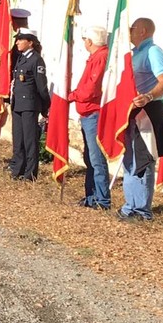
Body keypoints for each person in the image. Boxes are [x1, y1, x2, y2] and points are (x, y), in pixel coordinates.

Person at [121, 18, 163, 221]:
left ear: (143, 31)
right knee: (130, 159)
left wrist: (149, 96)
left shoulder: (153, 51)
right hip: (131, 111)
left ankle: (142, 211)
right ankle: (130, 207)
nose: (129, 31)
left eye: (132, 28)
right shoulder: (132, 53)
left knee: (143, 160)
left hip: (147, 111)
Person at [69, 26, 110, 209]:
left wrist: (73, 96)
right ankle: (91, 196)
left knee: (96, 158)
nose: (84, 42)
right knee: (90, 158)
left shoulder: (101, 57)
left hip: (94, 113)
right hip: (87, 113)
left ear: (90, 41)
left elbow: (91, 88)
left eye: (85, 39)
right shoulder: (95, 57)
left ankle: (102, 199)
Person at [9, 27, 50, 180]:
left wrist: (46, 105)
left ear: (30, 42)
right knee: (18, 139)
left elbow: (41, 86)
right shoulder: (21, 58)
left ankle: (30, 173)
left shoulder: (36, 60)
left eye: (21, 39)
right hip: (18, 104)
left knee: (29, 140)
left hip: (29, 105)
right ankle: (18, 169)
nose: (17, 42)